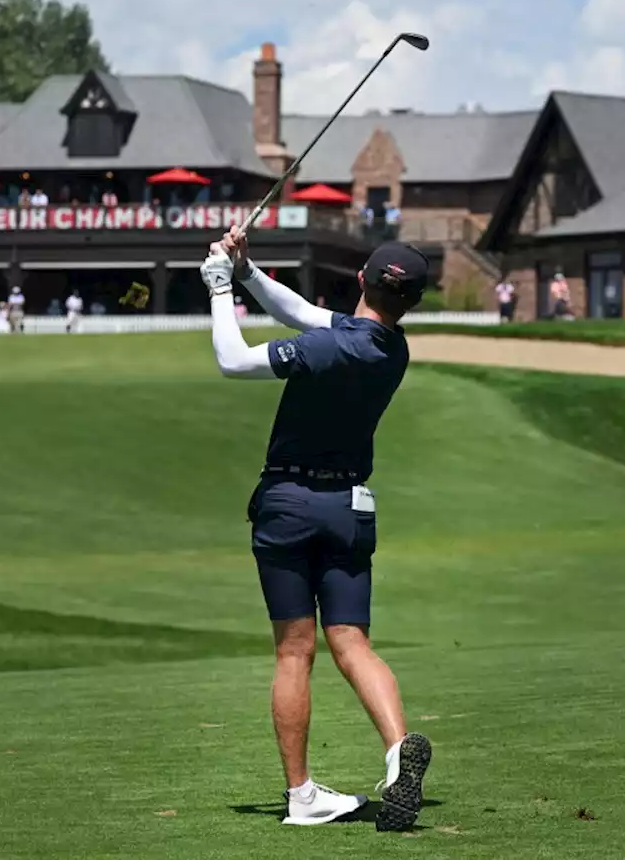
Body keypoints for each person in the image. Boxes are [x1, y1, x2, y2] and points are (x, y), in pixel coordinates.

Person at [199, 225, 433, 831]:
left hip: (288, 504)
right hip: (350, 507)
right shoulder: (389, 347)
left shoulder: (329, 349)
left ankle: (301, 794)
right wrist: (248, 271)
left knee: (294, 652)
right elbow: (303, 312)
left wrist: (220, 288)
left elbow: (232, 361)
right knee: (352, 642)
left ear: (361, 280)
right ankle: (395, 752)